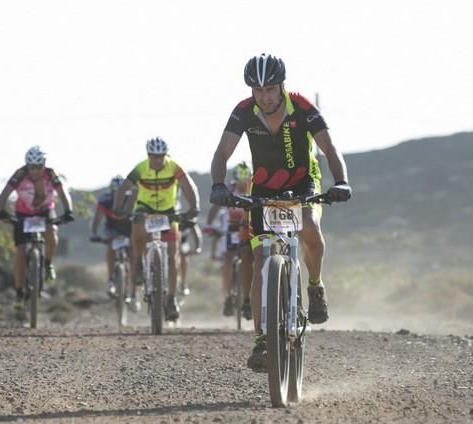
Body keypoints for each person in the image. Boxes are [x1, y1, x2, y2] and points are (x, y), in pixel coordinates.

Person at [209, 54, 352, 371]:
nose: (264, 96)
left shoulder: (302, 108)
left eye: (270, 89)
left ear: (282, 86)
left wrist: (341, 181)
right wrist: (218, 184)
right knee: (261, 262)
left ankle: (314, 286)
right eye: (257, 90)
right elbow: (222, 152)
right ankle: (262, 340)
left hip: (303, 183)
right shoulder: (244, 112)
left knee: (310, 230)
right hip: (263, 190)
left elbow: (329, 148)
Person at [113, 137, 200, 321]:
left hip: (169, 210)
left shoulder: (174, 167)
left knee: (173, 256)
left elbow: (188, 187)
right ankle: (137, 263)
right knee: (136, 223)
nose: (157, 160)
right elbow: (123, 188)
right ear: (148, 155)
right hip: (145, 207)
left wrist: (194, 208)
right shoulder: (140, 168)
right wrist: (118, 206)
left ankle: (171, 299)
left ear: (165, 155)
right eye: (153, 156)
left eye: (160, 156)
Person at [0, 145, 74, 310]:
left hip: (45, 211)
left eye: (38, 167)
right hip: (23, 213)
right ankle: (19, 293)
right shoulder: (20, 174)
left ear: (44, 165)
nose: (35, 171)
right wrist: (2, 211)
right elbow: (4, 194)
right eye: (32, 167)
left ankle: (47, 264)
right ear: (27, 165)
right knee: (20, 252)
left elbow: (63, 193)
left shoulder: (51, 174)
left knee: (52, 231)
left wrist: (69, 211)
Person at [205, 161, 254, 319]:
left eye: (246, 180)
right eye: (240, 180)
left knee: (253, 257)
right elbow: (215, 207)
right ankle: (227, 297)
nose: (243, 183)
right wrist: (209, 224)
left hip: (248, 227)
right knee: (227, 258)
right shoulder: (229, 189)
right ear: (235, 179)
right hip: (232, 229)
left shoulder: (254, 188)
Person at [89, 175, 136, 308]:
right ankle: (111, 279)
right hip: (112, 229)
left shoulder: (132, 199)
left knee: (133, 258)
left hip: (129, 228)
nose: (118, 195)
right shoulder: (105, 200)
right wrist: (93, 232)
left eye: (120, 192)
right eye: (115, 191)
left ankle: (134, 293)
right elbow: (97, 218)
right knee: (111, 247)